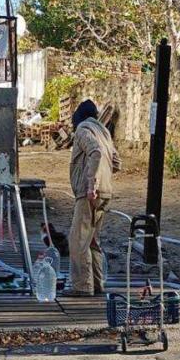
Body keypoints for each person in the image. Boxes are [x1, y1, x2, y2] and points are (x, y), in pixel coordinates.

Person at [64, 99, 121, 297]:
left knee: (78, 239)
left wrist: (91, 183)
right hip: (106, 192)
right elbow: (116, 162)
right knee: (93, 240)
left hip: (90, 192)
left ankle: (81, 286)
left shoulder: (82, 129)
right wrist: (103, 176)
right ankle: (97, 284)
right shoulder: (104, 131)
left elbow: (95, 151)